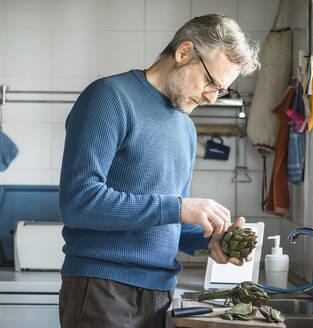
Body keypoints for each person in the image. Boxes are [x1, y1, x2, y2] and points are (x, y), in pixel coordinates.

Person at [58, 14, 260, 328]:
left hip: (160, 294)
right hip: (102, 289)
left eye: (220, 90)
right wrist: (180, 207)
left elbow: (170, 221)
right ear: (183, 53)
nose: (210, 97)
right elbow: (80, 203)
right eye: (210, 82)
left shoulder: (186, 127)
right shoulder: (109, 98)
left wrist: (211, 241)